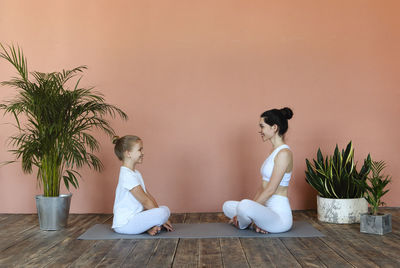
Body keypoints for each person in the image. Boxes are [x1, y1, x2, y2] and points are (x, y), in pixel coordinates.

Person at [222, 107, 294, 233]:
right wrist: (251, 209)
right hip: (265, 210)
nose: (260, 131)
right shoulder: (273, 151)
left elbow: (271, 189)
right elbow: (262, 187)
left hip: (279, 217)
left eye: (262, 126)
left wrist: (248, 209)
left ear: (274, 128)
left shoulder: (284, 153)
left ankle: (245, 222)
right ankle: (253, 222)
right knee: (227, 206)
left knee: (244, 205)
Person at [111, 135, 173, 235]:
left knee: (164, 209)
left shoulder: (135, 173)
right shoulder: (127, 176)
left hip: (134, 218)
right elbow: (145, 201)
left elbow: (148, 196)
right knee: (163, 213)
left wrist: (158, 215)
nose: (143, 153)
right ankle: (152, 226)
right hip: (125, 224)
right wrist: (162, 219)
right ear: (128, 153)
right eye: (140, 150)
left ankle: (150, 227)